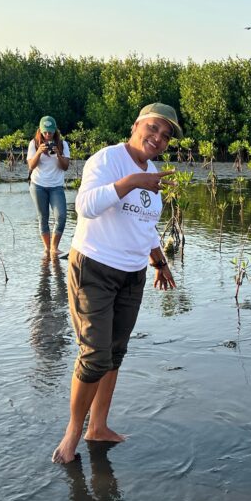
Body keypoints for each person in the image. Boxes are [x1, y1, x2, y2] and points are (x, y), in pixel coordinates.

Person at [52, 103, 181, 464]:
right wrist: (130, 182)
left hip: (132, 274)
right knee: (94, 356)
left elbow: (143, 223)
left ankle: (99, 427)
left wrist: (159, 262)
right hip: (93, 267)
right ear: (136, 124)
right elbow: (85, 206)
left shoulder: (153, 171)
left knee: (114, 354)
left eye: (166, 136)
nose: (158, 138)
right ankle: (73, 432)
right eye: (153, 129)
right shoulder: (107, 160)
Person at [27, 115, 71, 259]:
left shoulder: (63, 145)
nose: (48, 135)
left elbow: (65, 167)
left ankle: (54, 248)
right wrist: (39, 152)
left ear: (55, 131)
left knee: (61, 216)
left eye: (50, 132)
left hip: (56, 186)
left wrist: (58, 154)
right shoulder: (33, 144)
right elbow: (31, 166)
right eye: (45, 132)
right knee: (43, 218)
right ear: (40, 130)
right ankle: (48, 249)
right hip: (38, 185)